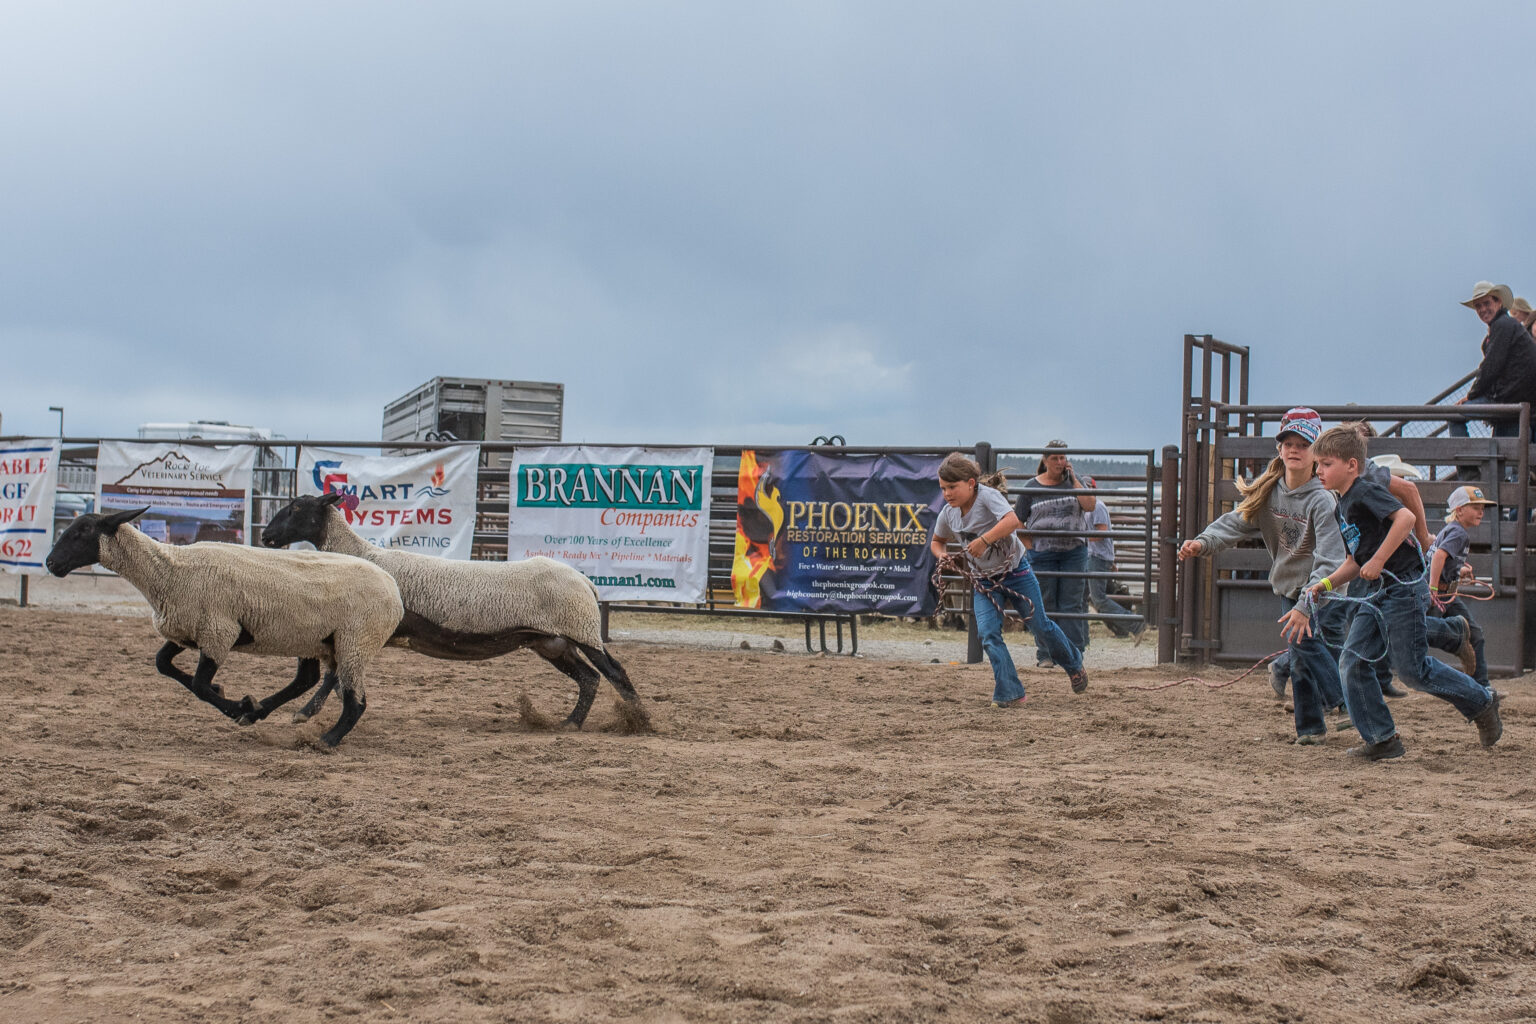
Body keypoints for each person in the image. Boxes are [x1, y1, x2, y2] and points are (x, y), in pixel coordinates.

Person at [1305, 426, 1502, 760]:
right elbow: (1356, 560)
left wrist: (1381, 559)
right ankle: (1382, 739)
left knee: (1413, 670)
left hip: (1402, 589)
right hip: (1377, 592)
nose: (1319, 471)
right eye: (1318, 465)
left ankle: (1481, 701)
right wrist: (1324, 585)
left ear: (1352, 465)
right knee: (1353, 661)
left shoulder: (1365, 489)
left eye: (1326, 464)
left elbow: (1405, 517)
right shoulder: (1342, 505)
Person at [1178, 408, 1348, 744]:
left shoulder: (1323, 500)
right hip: (1290, 585)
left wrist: (1307, 600)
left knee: (1310, 646)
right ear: (1280, 449)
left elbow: (1330, 557)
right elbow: (1234, 522)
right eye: (1289, 443)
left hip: (1325, 588)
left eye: (1303, 444)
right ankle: (1313, 728)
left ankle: (1342, 704)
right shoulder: (1268, 491)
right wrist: (1202, 542)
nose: (1294, 449)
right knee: (1305, 654)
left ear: (1317, 452)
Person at [930, 453, 1088, 706]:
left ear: (971, 483)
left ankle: (1073, 663)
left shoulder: (988, 497)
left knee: (1040, 625)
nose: (947, 494)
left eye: (952, 487)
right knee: (988, 633)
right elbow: (937, 542)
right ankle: (1011, 691)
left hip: (1015, 572)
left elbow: (1013, 520)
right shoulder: (948, 514)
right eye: (943, 488)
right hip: (983, 581)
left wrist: (983, 540)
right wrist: (943, 557)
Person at [1014, 441, 1096, 666]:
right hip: (1043, 552)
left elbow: (1089, 505)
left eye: (1063, 458)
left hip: (1073, 552)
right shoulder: (1031, 487)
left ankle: (1073, 654)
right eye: (1055, 458)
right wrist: (1031, 547)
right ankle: (1047, 653)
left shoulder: (1077, 483)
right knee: (1045, 602)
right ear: (1045, 460)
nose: (1060, 463)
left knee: (1072, 603)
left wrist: (1074, 479)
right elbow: (1018, 521)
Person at [1426, 485, 1497, 692]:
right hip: (1438, 592)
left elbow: (1442, 557)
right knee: (1422, 632)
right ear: (1459, 510)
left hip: (1445, 592)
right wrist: (1432, 587)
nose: (1481, 512)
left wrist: (1459, 568)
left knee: (1475, 634)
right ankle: (1460, 646)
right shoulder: (1459, 534)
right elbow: (1439, 555)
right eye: (1475, 507)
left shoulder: (1452, 530)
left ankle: (1481, 687)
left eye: (1482, 507)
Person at [1449, 281, 1536, 443]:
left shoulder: (1503, 325)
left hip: (1507, 400)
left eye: (1487, 303)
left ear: (1499, 302)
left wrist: (1472, 394)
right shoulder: (1507, 326)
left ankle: (1468, 466)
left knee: (1454, 415)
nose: (1483, 309)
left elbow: (1490, 367)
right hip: (1515, 402)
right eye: (1479, 306)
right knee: (1506, 459)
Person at [1084, 478, 1144, 638]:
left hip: (1097, 558)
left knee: (1098, 599)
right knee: (1085, 596)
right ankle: (1121, 629)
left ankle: (1135, 624)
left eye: (1088, 488)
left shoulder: (1096, 506)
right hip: (1095, 557)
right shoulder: (1089, 508)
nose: (1085, 491)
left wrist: (1078, 537)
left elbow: (1102, 532)